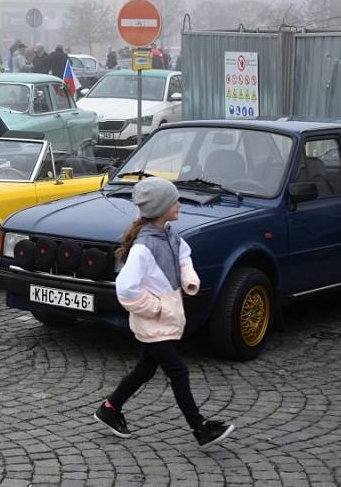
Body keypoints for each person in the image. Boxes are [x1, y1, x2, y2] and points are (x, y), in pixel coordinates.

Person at [93, 177, 235, 448]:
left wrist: (188, 278)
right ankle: (199, 428)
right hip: (153, 321)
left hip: (165, 318)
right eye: (175, 201)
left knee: (145, 369)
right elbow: (126, 290)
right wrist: (156, 308)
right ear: (160, 208)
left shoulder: (169, 233)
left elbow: (184, 256)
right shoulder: (144, 247)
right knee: (178, 371)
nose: (180, 204)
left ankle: (110, 408)